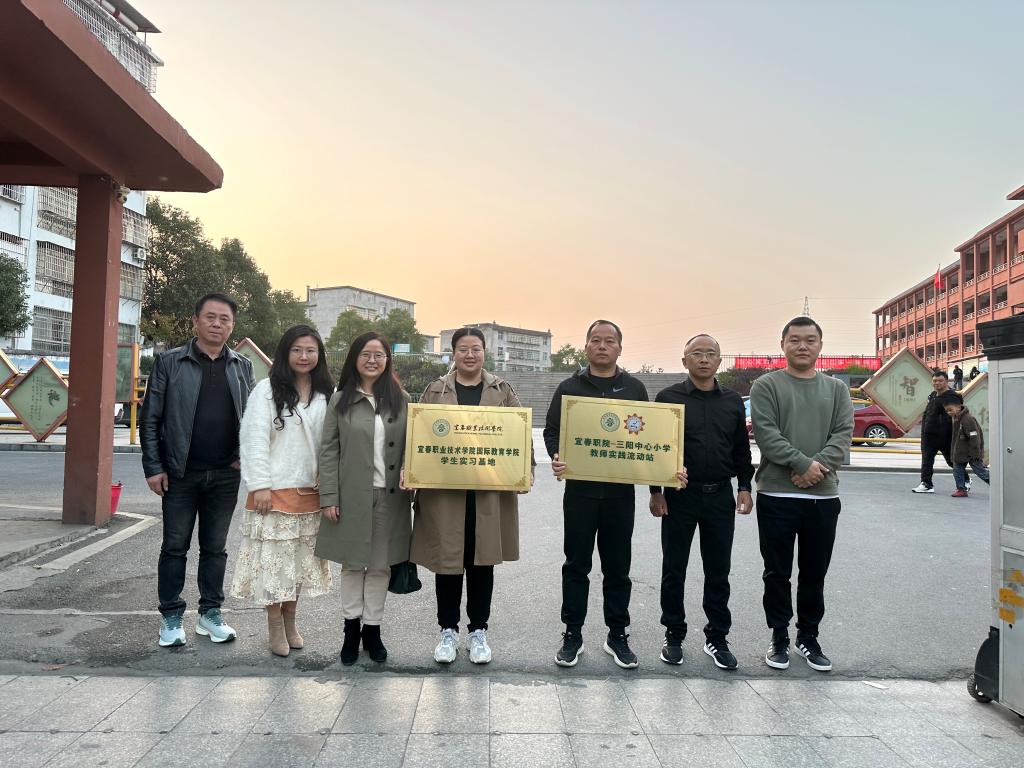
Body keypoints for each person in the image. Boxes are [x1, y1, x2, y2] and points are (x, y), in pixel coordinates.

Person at [545, 320, 668, 669]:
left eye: (609, 341)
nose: (602, 346)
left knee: (618, 568)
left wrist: (656, 490)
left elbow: (649, 443)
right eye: (596, 340)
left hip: (619, 495)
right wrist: (557, 455)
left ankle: (617, 634)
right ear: (586, 346)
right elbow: (552, 431)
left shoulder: (634, 388)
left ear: (619, 348)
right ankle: (573, 633)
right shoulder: (570, 387)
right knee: (576, 565)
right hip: (580, 494)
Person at [411, 327, 534, 665]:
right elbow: (419, 435)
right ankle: (447, 631)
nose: (470, 354)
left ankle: (478, 631)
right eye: (463, 349)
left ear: (484, 352)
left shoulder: (501, 390)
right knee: (447, 563)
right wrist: (412, 470)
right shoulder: (436, 390)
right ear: (453, 353)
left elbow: (520, 434)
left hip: (486, 494)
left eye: (476, 348)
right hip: (446, 494)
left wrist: (526, 469)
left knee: (482, 563)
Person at [140, 292, 256, 648]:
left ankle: (210, 614)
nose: (217, 324)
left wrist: (244, 455)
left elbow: (252, 419)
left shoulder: (241, 366)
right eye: (210, 317)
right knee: (175, 547)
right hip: (180, 473)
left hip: (225, 475)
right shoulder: (170, 362)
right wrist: (154, 467)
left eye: (225, 319)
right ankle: (171, 617)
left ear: (232, 326)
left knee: (216, 548)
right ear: (196, 321)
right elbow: (150, 418)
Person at [750, 316, 853, 673]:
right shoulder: (767, 385)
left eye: (810, 340)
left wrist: (815, 469)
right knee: (776, 572)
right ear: (783, 345)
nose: (802, 346)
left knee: (814, 572)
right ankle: (779, 635)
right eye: (795, 339)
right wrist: (802, 464)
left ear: (820, 346)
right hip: (776, 495)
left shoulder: (836, 389)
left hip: (823, 497)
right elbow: (767, 435)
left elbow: (842, 435)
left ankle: (808, 636)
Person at [649, 333, 753, 671]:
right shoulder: (668, 398)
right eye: (697, 353)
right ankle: (674, 635)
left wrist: (745, 486)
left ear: (719, 361)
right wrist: (655, 491)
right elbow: (655, 447)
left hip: (721, 495)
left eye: (710, 353)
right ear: (685, 360)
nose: (704, 359)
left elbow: (741, 449)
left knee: (718, 570)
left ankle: (717, 637)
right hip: (680, 497)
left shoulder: (732, 401)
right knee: (674, 568)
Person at [230, 325, 334, 657]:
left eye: (311, 350)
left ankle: (291, 619)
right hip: (273, 492)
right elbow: (253, 439)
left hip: (310, 493)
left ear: (319, 355)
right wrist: (259, 484)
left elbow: (333, 442)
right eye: (297, 350)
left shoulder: (327, 393)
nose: (304, 356)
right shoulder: (266, 390)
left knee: (298, 564)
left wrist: (328, 475)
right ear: (285, 353)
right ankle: (274, 624)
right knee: (273, 565)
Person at [315, 332, 412, 666]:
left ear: (388, 360)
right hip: (351, 496)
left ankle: (373, 629)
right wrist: (329, 496)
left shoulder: (401, 399)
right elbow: (328, 451)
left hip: (391, 497)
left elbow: (414, 446)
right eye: (366, 354)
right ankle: (350, 630)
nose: (372, 360)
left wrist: (412, 471)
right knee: (353, 564)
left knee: (381, 566)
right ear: (354, 359)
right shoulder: (340, 400)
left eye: (379, 355)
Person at [911, 371, 954, 494]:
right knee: (926, 460)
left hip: (945, 435)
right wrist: (924, 431)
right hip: (929, 435)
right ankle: (926, 484)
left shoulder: (952, 396)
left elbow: (955, 417)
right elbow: (927, 413)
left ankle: (965, 479)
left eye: (940, 380)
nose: (937, 383)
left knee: (951, 461)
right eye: (935, 381)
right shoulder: (933, 395)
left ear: (946, 381)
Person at [941, 393, 991, 498]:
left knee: (980, 472)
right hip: (960, 453)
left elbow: (974, 437)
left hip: (972, 452)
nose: (949, 413)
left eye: (950, 410)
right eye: (947, 411)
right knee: (957, 470)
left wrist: (975, 453)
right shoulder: (956, 418)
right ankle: (961, 489)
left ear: (959, 407)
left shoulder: (967, 419)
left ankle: (999, 485)